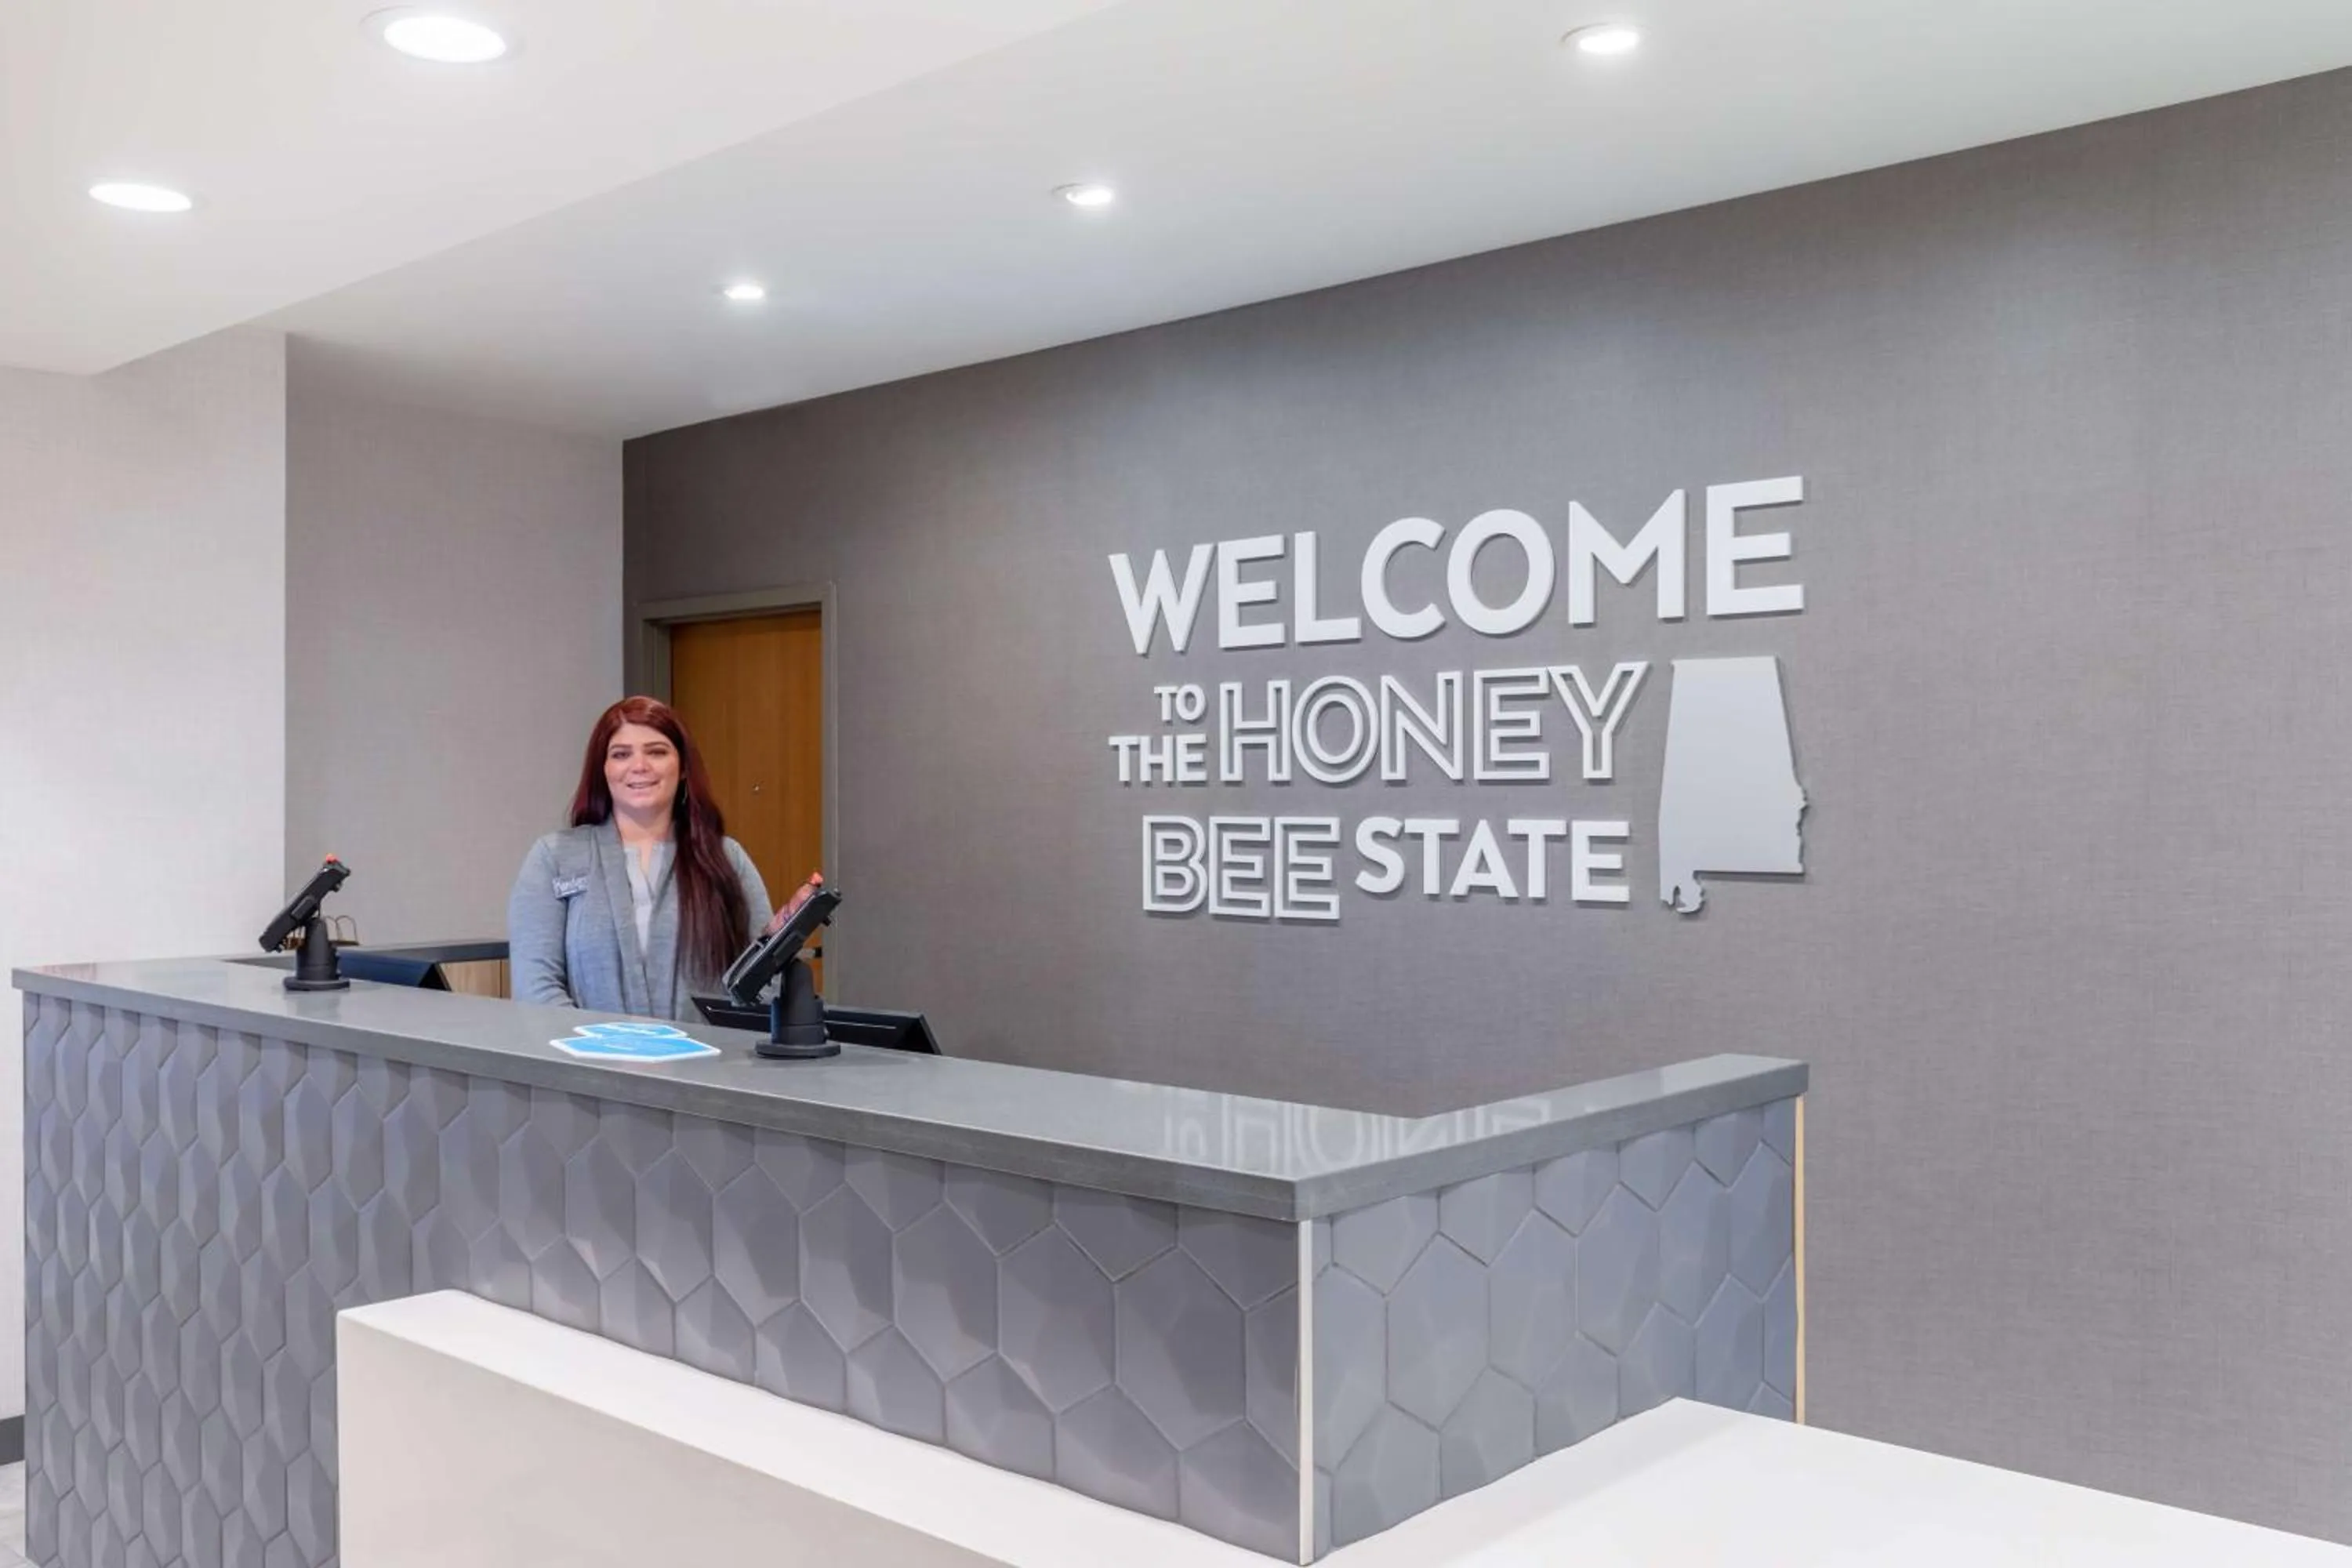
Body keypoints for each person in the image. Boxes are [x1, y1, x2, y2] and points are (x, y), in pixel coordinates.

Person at [509, 695, 814, 1022]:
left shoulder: (727, 859)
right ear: (604, 769)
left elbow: (761, 989)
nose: (639, 766)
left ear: (682, 767)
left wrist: (778, 941)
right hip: (589, 1066)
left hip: (704, 1068)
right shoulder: (554, 857)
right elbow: (535, 988)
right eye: (621, 754)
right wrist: (603, 1053)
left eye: (656, 752)